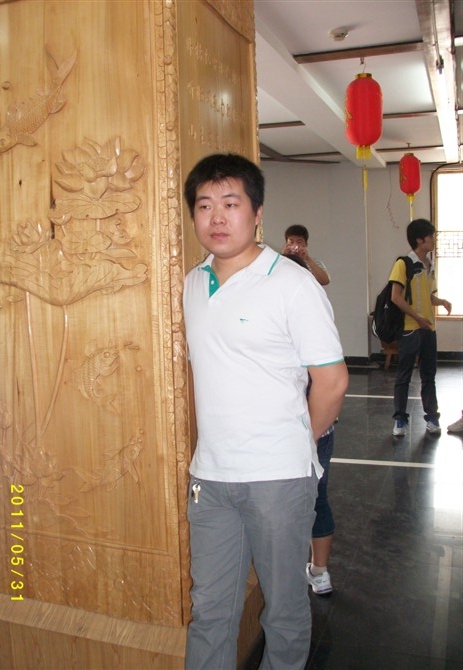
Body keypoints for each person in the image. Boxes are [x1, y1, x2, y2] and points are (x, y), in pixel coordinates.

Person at [183, 153, 348, 670]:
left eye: (230, 204)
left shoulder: (292, 284)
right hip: (211, 479)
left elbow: (332, 381)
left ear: (257, 213)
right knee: (209, 611)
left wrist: (299, 441)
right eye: (204, 205)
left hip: (278, 479)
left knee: (284, 611)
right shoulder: (193, 282)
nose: (216, 217)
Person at [283, 248, 335, 596]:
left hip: (297, 428)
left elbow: (332, 382)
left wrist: (310, 436)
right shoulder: (316, 311)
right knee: (316, 498)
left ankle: (296, 574)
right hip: (316, 427)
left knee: (283, 505)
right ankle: (319, 571)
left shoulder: (284, 311)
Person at [390, 218, 452, 437]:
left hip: (428, 329)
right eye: (431, 236)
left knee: (428, 375)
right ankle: (399, 420)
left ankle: (432, 417)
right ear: (419, 239)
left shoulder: (430, 264)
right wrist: (417, 317)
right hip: (410, 328)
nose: (434, 239)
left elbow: (428, 296)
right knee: (404, 375)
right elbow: (396, 297)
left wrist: (441, 301)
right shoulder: (404, 263)